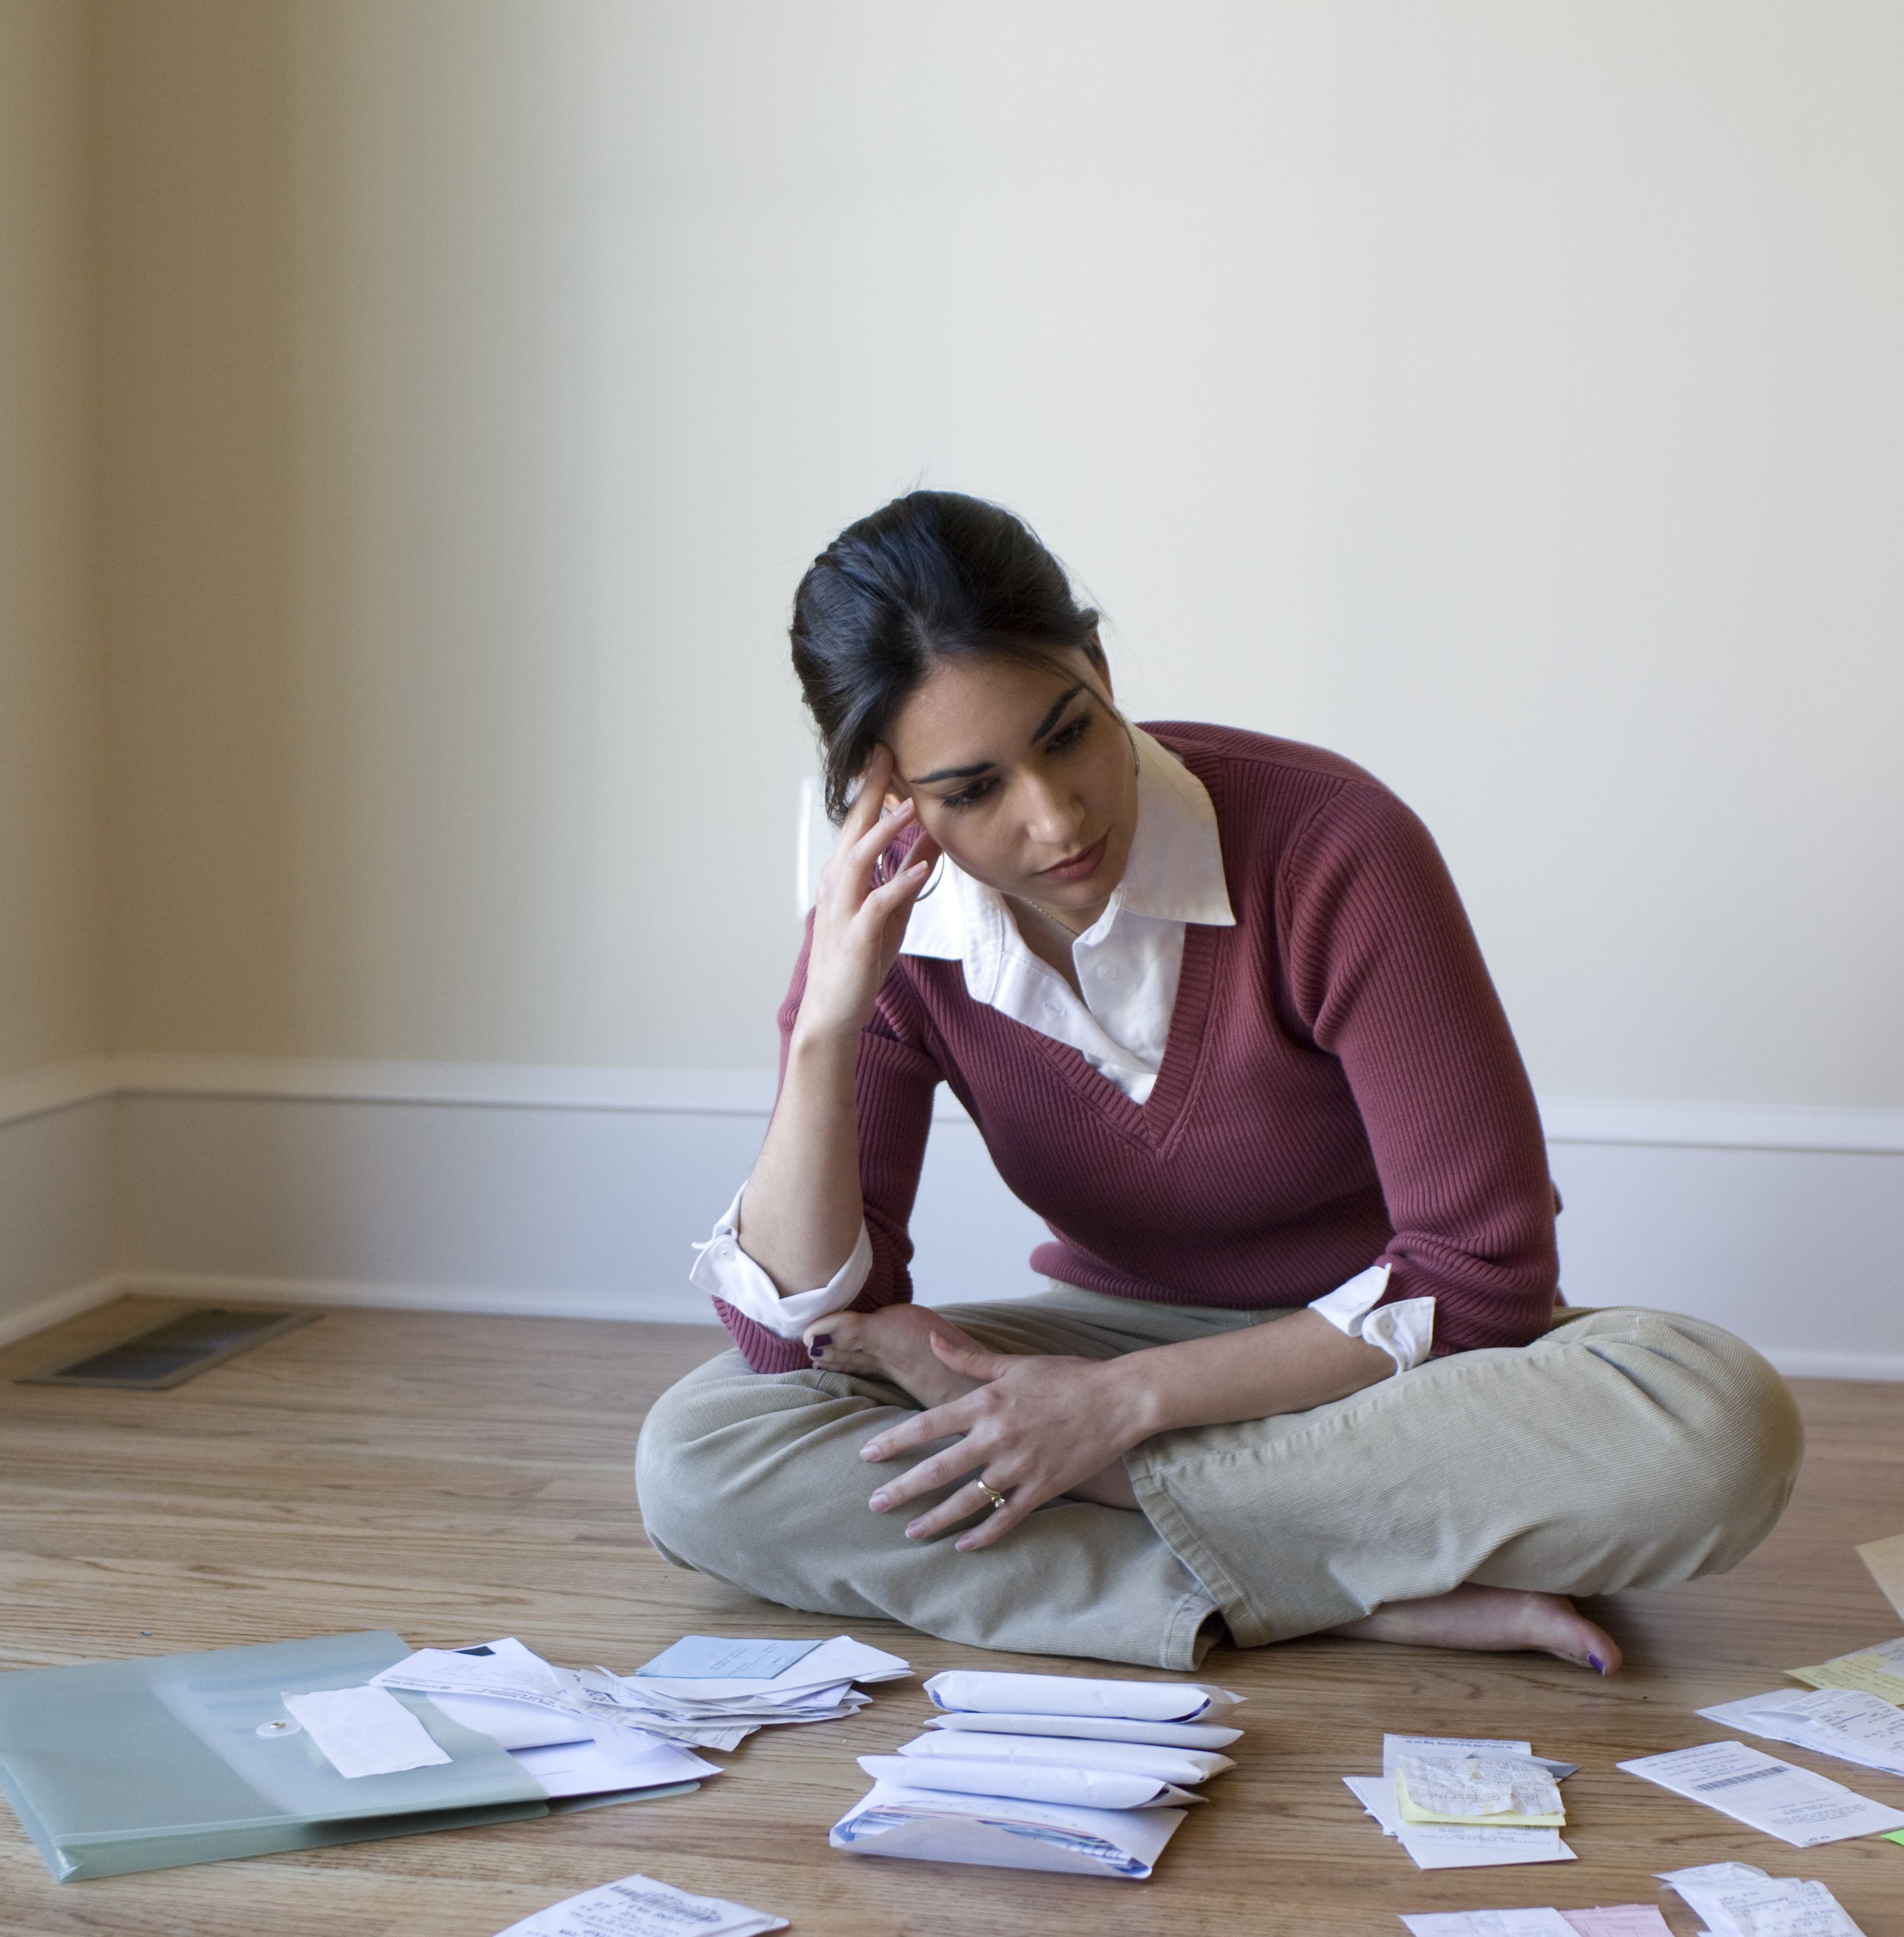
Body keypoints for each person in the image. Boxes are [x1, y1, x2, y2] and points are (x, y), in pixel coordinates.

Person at [634, 491, 1802, 1673]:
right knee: (705, 1453)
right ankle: (1344, 1590)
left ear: (1096, 663)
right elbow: (800, 1336)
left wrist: (1118, 1415)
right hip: (1103, 1339)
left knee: (1705, 1429)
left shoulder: (1331, 843)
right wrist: (830, 1025)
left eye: (1067, 732)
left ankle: (1162, 1531)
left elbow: (1482, 1280)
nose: (1055, 816)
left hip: (1384, 1367)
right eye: (973, 791)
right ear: (889, 797)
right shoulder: (889, 929)